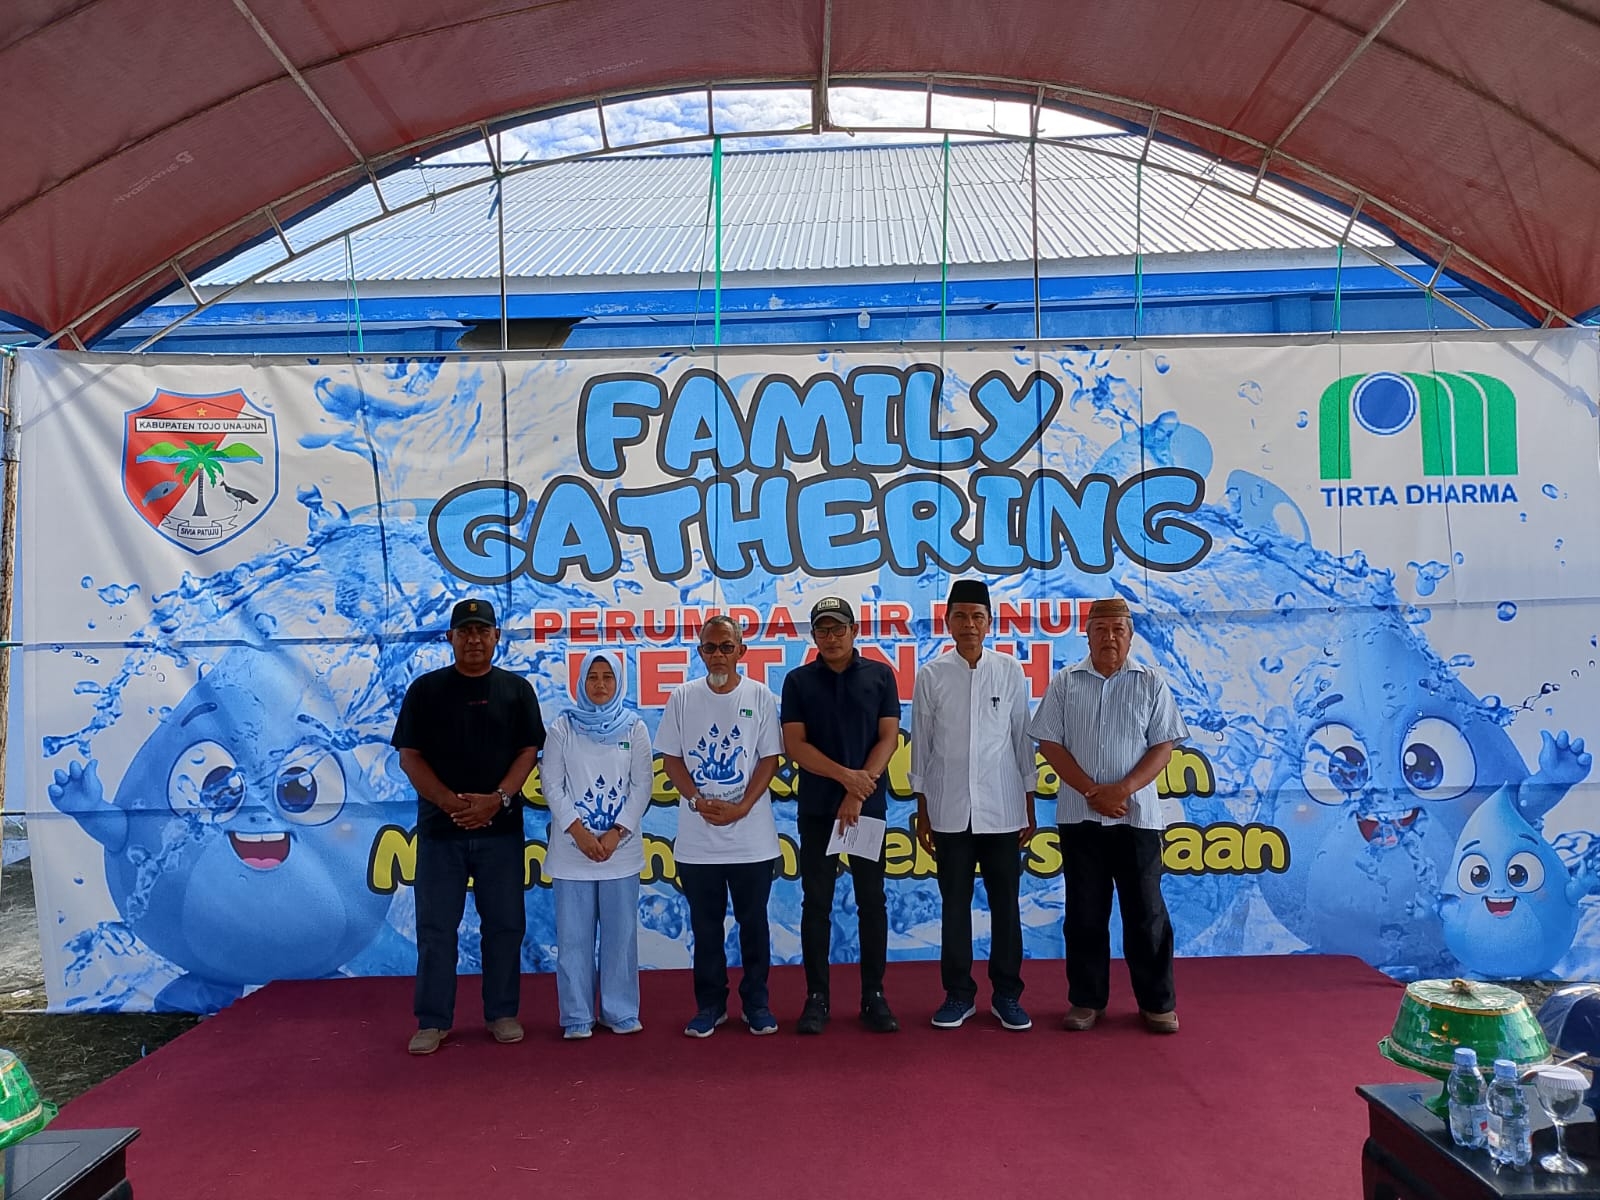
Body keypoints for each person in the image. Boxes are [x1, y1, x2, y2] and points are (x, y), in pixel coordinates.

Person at [1029, 596, 1189, 1034]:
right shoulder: (1065, 682)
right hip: (1080, 818)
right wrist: (1091, 791)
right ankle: (1086, 1001)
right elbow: (1049, 743)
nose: (1110, 638)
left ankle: (1157, 1004)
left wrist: (1122, 790)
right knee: (1084, 913)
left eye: (1118, 629)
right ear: (1087, 635)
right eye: (1101, 630)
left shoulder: (1151, 682)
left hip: (1136, 818)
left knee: (1147, 914)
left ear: (1131, 635)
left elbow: (1164, 747)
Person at [392, 597, 544, 1055]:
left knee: (505, 925)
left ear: (497, 636)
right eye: (465, 631)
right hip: (442, 833)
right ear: (450, 638)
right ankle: (433, 1020)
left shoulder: (517, 690)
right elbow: (409, 756)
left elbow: (528, 752)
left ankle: (502, 1013)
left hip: (500, 831)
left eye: (482, 631)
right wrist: (448, 802)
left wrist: (497, 800)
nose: (474, 639)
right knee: (436, 929)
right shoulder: (425, 690)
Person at [911, 579, 1036, 1032]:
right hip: (949, 810)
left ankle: (1007, 995)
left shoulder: (1010, 670)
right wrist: (923, 808)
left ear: (989, 622)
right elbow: (921, 746)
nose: (969, 624)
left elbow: (1022, 739)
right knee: (954, 906)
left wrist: (1029, 803)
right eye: (960, 616)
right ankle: (959, 994)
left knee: (1006, 906)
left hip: (1002, 809)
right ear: (947, 622)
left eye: (977, 617)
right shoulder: (931, 675)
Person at [655, 615, 783, 1037]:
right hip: (698, 840)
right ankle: (710, 1006)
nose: (718, 655)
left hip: (752, 839)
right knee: (706, 928)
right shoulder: (683, 697)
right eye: (710, 648)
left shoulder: (760, 696)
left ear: (741, 651)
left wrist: (742, 807)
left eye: (726, 647)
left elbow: (769, 759)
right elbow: (671, 758)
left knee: (754, 925)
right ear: (700, 652)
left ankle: (756, 1004)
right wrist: (695, 799)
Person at [781, 596, 902, 1036]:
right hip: (818, 809)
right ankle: (817, 998)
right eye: (822, 630)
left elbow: (888, 738)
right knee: (817, 903)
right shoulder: (798, 681)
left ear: (854, 631)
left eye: (838, 629)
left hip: (865, 809)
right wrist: (846, 779)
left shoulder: (880, 675)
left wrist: (857, 790)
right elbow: (795, 745)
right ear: (813, 636)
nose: (830, 637)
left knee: (872, 901)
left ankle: (874, 996)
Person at [541, 650, 652, 1039]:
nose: (600, 684)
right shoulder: (563, 727)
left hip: (620, 853)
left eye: (608, 677)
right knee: (573, 938)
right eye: (593, 676)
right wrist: (580, 833)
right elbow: (551, 784)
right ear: (581, 682)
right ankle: (577, 1015)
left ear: (619, 683)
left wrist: (615, 832)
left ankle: (620, 1011)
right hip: (573, 853)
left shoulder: (634, 727)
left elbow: (643, 785)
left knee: (620, 938)